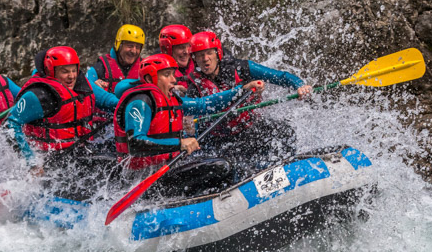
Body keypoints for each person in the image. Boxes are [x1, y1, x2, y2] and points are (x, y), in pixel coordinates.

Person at [113, 54, 259, 197]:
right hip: (142, 178)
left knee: (232, 162)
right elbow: (136, 143)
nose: (173, 79)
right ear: (150, 78)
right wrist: (180, 144)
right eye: (167, 75)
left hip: (167, 168)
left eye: (173, 74)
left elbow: (204, 104)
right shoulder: (140, 103)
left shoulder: (171, 99)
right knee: (221, 166)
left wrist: (241, 90)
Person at [187, 31, 312, 166]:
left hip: (251, 127)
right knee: (231, 164)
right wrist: (190, 128)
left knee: (285, 132)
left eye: (209, 53)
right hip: (221, 139)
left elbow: (279, 77)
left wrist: (300, 86)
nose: (205, 59)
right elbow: (192, 120)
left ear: (218, 53)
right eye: (200, 55)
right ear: (194, 59)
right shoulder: (194, 86)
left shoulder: (241, 67)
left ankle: (288, 166)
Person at [6, 46, 120, 158]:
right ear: (51, 71)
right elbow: (11, 124)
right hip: (51, 158)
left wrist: (125, 105)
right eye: (65, 71)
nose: (71, 76)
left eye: (74, 70)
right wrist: (31, 161)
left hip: (80, 150)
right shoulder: (40, 95)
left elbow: (107, 100)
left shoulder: (83, 85)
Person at [158, 24, 195, 95]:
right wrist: (167, 90)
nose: (187, 52)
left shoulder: (199, 61)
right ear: (166, 49)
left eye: (188, 46)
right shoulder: (158, 71)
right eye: (181, 47)